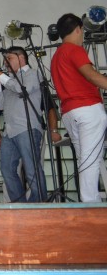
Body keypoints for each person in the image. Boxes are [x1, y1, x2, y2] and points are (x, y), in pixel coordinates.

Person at [51, 13, 107, 203]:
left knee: (85, 159)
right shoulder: (74, 50)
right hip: (87, 109)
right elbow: (92, 76)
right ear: (78, 29)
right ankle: (90, 205)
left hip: (70, 112)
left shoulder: (56, 56)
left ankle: (90, 202)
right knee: (91, 160)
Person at [0, 47, 47, 202]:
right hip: (10, 132)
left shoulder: (32, 74)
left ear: (21, 58)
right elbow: (0, 105)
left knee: (31, 169)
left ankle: (38, 204)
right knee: (6, 169)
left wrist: (1, 77)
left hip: (27, 128)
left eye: (9, 59)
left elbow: (23, 89)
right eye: (5, 60)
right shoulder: (10, 81)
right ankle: (20, 205)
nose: (6, 63)